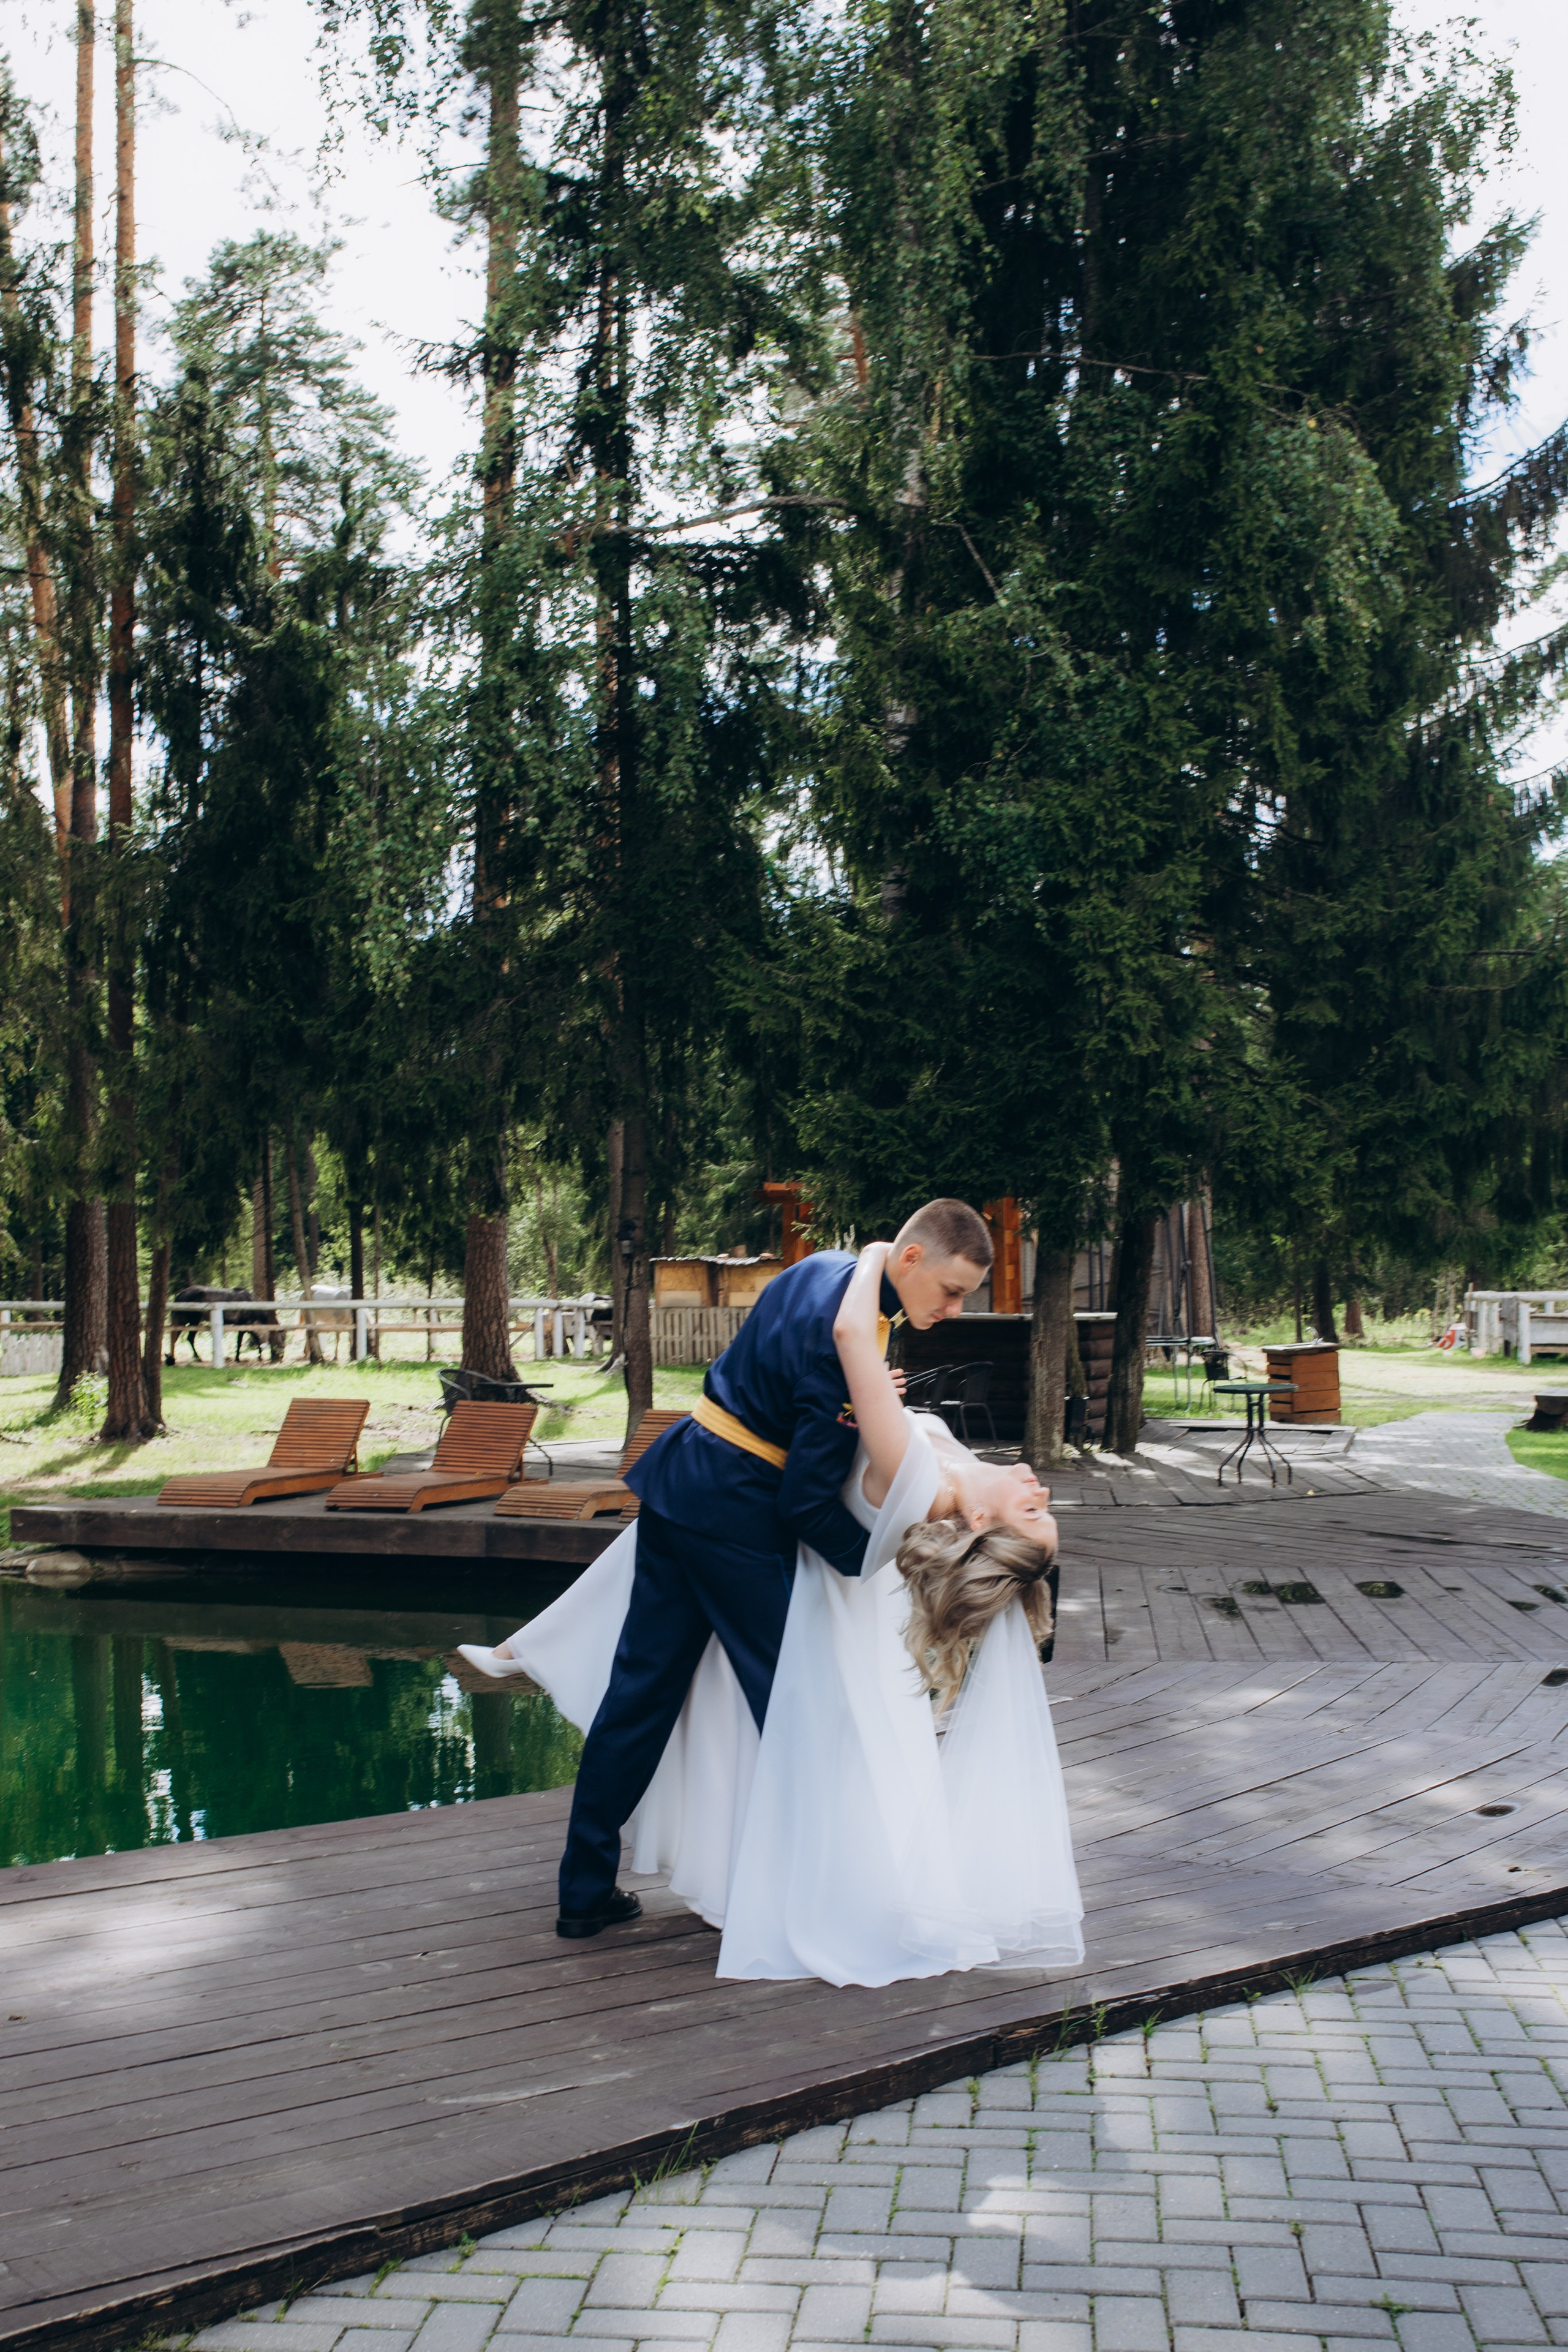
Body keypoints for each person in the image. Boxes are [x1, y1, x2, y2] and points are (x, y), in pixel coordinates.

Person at [460, 1230, 1083, 1986]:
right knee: (798, 1717)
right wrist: (862, 1563)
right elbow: (802, 1502)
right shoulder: (849, 1333)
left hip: (679, 1480)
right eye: (950, 1291)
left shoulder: (826, 1269)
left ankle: (583, 1893)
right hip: (735, 1520)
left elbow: (791, 1376)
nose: (953, 1309)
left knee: (641, 1697)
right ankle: (815, 1898)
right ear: (912, 1260)